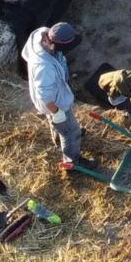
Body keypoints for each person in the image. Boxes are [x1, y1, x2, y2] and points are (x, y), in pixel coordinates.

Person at [21, 21, 83, 172]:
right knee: (71, 132)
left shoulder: (41, 33)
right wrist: (57, 112)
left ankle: (58, 135)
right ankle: (72, 162)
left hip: (53, 93)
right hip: (54, 102)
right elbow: (44, 95)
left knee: (57, 124)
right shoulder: (44, 67)